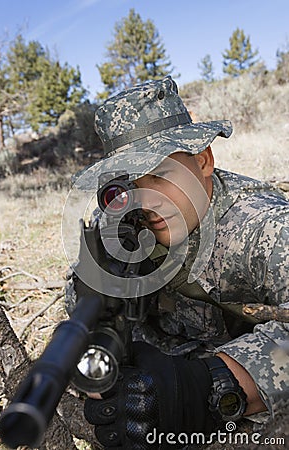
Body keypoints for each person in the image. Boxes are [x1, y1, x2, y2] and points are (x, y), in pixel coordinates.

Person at [67, 76, 289, 449]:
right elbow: (84, 310)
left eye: (160, 176)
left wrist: (212, 386)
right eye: (130, 184)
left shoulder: (264, 227)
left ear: (203, 160)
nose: (147, 201)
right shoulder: (128, 230)